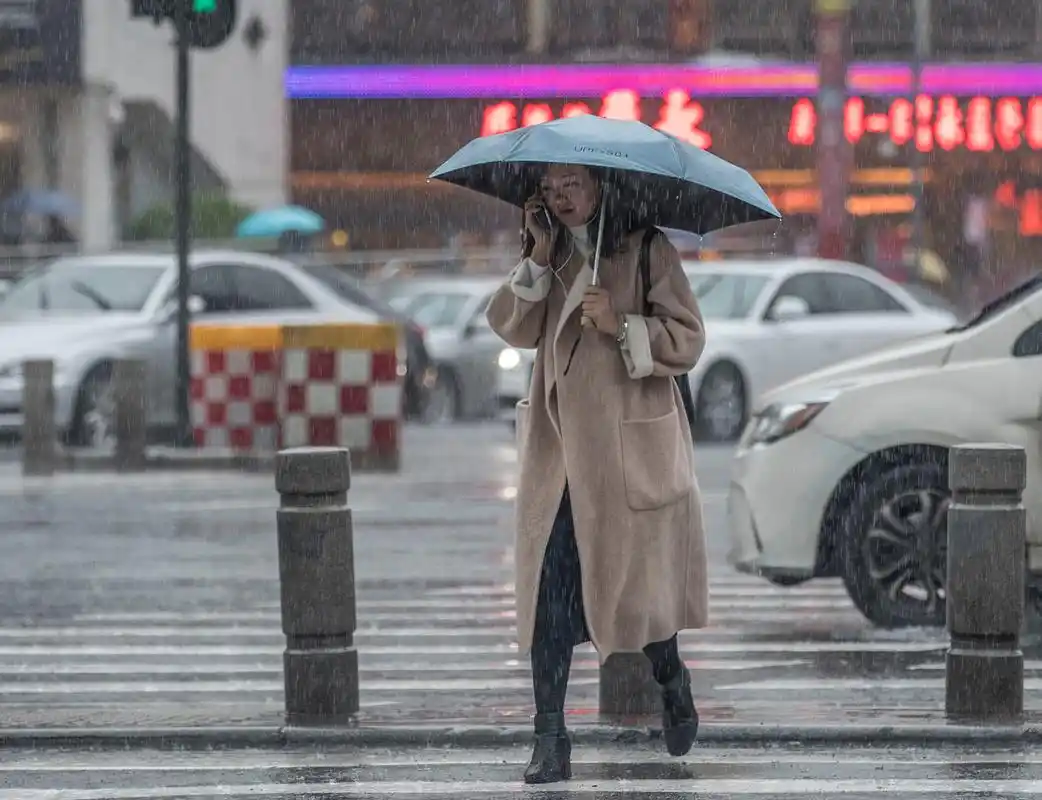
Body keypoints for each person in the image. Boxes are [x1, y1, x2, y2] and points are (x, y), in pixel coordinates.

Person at [485, 163, 709, 785]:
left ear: (600, 187)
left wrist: (624, 325)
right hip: (559, 457)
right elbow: (512, 326)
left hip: (624, 451)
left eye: (573, 187)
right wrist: (534, 256)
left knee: (636, 599)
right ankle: (550, 737)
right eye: (551, 192)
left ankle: (672, 678)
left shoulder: (646, 248)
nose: (562, 201)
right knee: (550, 598)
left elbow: (688, 339)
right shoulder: (548, 254)